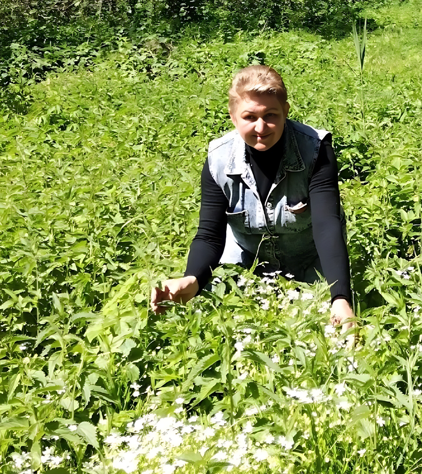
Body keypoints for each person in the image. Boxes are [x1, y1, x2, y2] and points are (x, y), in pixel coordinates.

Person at [150, 65, 355, 330]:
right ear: (233, 117)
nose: (261, 127)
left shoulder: (316, 150)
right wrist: (192, 279)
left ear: (286, 112)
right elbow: (209, 235)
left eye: (271, 115)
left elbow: (327, 226)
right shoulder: (218, 160)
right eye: (249, 117)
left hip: (309, 262)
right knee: (216, 323)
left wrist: (340, 297)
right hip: (246, 263)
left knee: (323, 325)